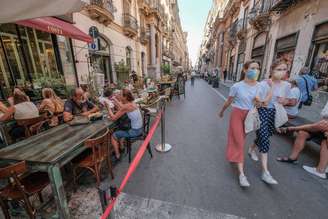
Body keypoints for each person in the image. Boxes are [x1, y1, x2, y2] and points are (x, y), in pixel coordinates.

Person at [249, 59, 292, 185]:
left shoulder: (287, 85)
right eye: (279, 69)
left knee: (265, 136)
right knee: (265, 139)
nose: (282, 72)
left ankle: (251, 149)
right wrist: (271, 88)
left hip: (275, 114)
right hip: (262, 112)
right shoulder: (263, 84)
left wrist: (284, 101)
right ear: (272, 70)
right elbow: (257, 102)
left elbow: (287, 101)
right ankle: (265, 173)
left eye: (284, 69)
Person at [218, 62, 260, 187]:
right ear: (245, 70)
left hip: (249, 116)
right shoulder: (237, 86)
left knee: (240, 140)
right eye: (252, 68)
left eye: (257, 68)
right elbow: (229, 101)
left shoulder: (260, 86)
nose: (256, 70)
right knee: (240, 142)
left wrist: (259, 103)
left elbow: (261, 104)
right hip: (237, 114)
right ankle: (242, 175)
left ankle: (232, 155)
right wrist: (221, 111)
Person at [107, 89, 143, 161]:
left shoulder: (126, 107)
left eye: (120, 95)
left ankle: (118, 155)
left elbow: (113, 118)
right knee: (122, 128)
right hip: (140, 129)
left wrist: (108, 108)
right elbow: (123, 107)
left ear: (125, 97)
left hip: (135, 131)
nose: (119, 96)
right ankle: (122, 147)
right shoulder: (132, 103)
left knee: (113, 135)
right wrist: (115, 100)